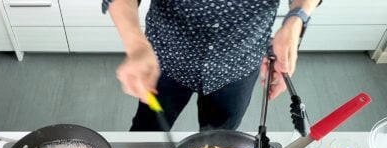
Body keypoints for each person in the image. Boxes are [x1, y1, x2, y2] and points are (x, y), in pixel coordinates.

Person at [102, 0, 321, 131]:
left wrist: (295, 21)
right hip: (165, 59)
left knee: (219, 140)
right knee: (148, 130)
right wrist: (136, 45)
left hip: (239, 61)